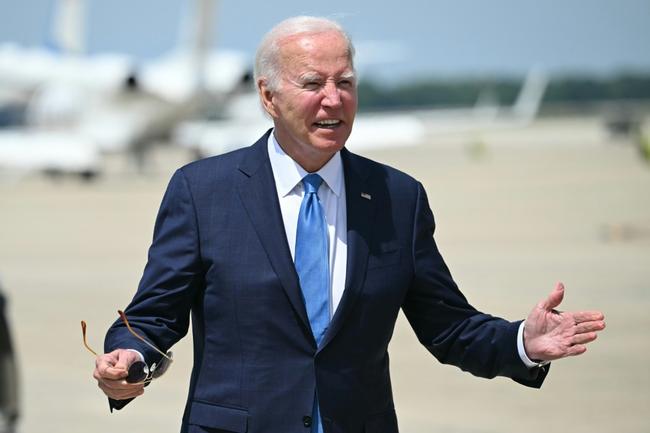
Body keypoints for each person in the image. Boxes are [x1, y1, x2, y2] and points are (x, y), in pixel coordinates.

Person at [92, 16, 605, 433]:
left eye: (346, 83)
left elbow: (448, 327)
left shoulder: (397, 198)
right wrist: (127, 359)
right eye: (313, 83)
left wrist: (522, 343)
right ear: (268, 96)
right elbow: (153, 317)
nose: (333, 99)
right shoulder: (203, 191)